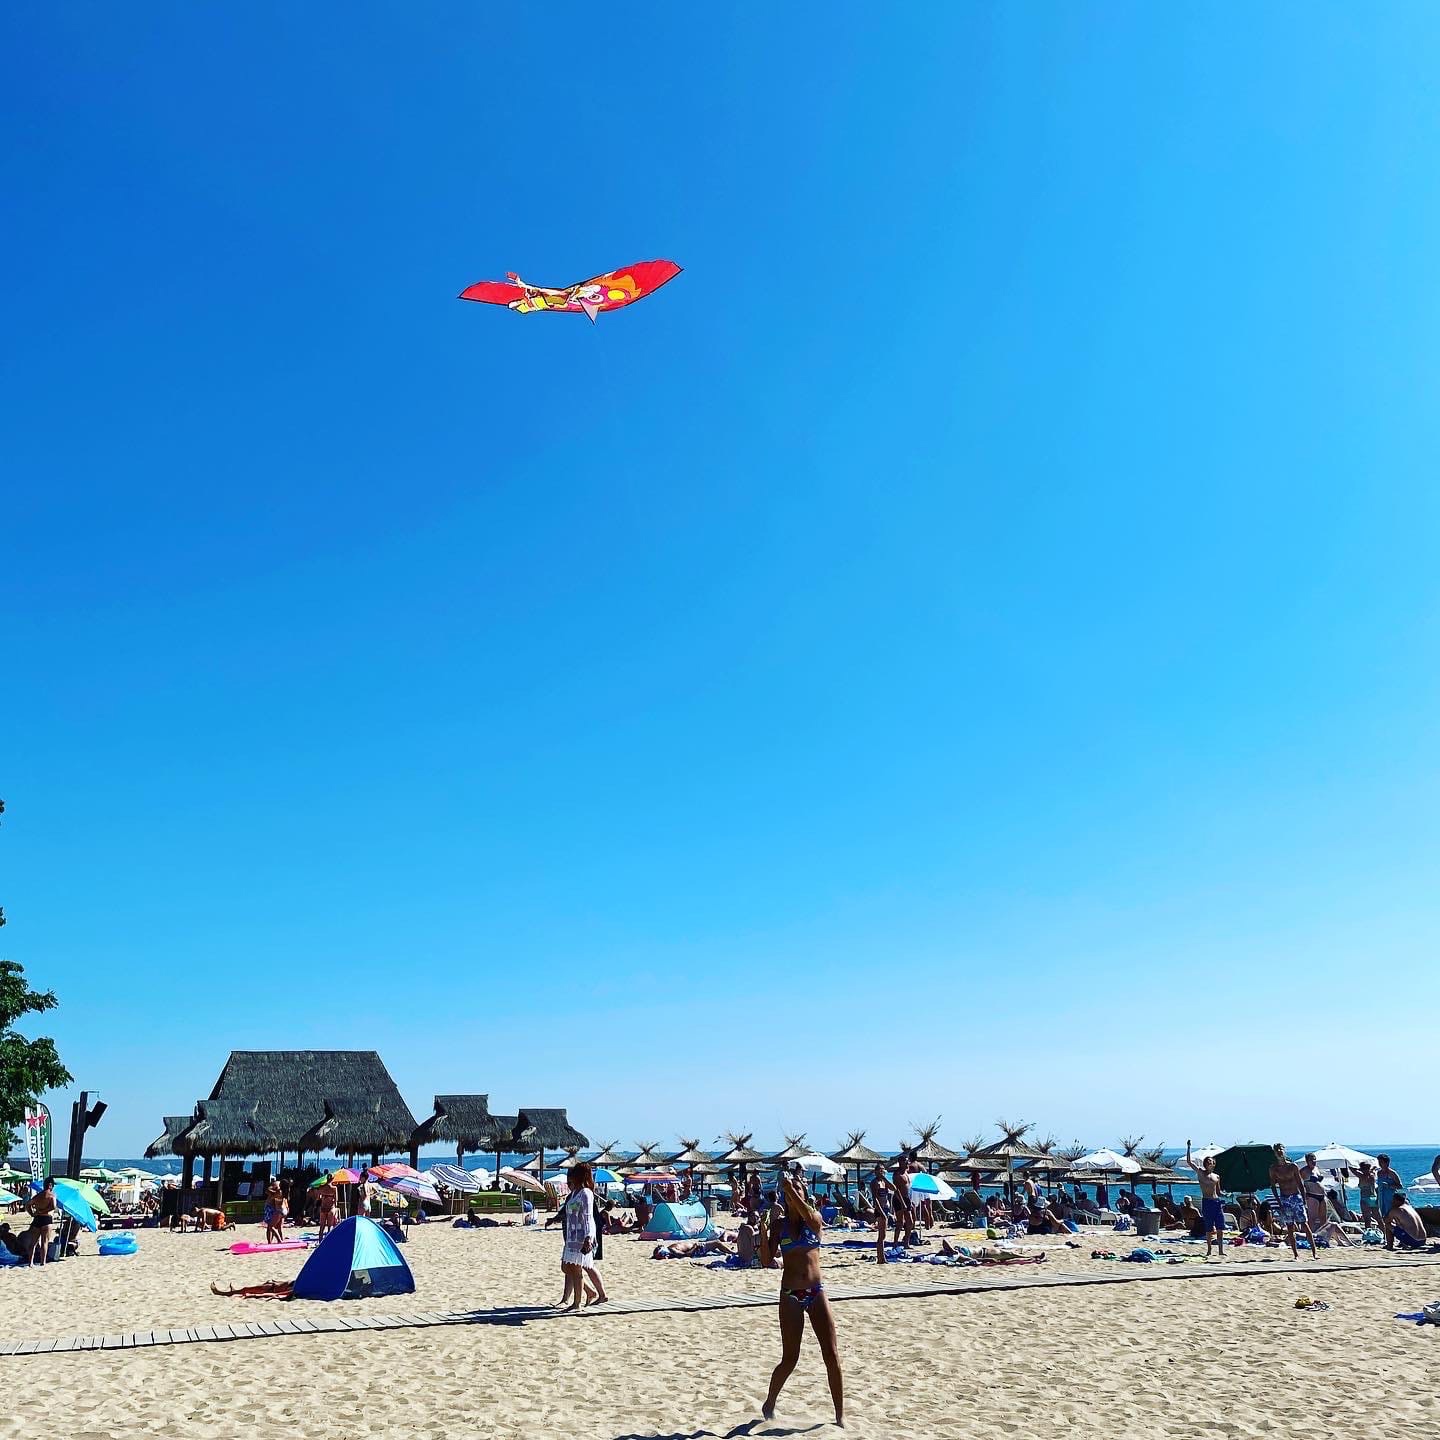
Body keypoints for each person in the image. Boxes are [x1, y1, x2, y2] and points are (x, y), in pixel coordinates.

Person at [760, 1172, 843, 1429]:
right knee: (790, 1358)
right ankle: (769, 1403)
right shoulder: (780, 1225)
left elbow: (806, 1213)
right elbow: (766, 1260)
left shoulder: (814, 1219)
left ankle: (840, 1416)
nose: (792, 1193)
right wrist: (762, 1233)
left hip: (816, 1292)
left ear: (804, 1194)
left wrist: (790, 1189)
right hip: (790, 1295)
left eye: (798, 1189)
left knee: (831, 1354)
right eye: (789, 1191)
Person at [559, 1162, 606, 1312]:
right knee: (566, 1267)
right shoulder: (574, 1193)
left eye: (573, 1174)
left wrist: (589, 1237)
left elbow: (587, 1217)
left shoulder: (586, 1193)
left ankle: (577, 1303)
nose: (570, 1178)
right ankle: (590, 1292)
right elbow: (568, 1213)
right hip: (571, 1236)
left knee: (577, 1269)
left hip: (581, 1236)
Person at [1268, 1143, 1318, 1260]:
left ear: (1284, 1150)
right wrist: (1278, 1201)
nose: (1279, 1151)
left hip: (1296, 1197)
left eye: (1281, 1149)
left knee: (1304, 1224)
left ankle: (1314, 1252)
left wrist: (1304, 1201)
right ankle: (1296, 1254)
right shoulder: (1273, 1169)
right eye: (1277, 1150)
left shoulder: (1293, 1166)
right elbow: (1273, 1186)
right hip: (1284, 1198)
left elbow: (1300, 1184)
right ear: (1274, 1153)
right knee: (1290, 1227)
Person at [1186, 1140, 1226, 1258]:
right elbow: (1189, 1162)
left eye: (1212, 1162)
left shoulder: (1216, 1176)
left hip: (1217, 1202)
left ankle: (1220, 1250)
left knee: (1220, 1228)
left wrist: (1226, 1195)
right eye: (1208, 1162)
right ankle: (1209, 1250)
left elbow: (1218, 1192)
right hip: (1207, 1202)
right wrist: (1189, 1147)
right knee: (1209, 1228)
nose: (1210, 1163)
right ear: (1205, 1164)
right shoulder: (1201, 1173)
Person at [26, 1178, 57, 1267]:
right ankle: (42, 1262)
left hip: (37, 1219)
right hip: (47, 1219)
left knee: (33, 1242)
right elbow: (53, 1206)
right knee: (44, 1242)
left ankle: (30, 1262)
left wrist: (32, 1214)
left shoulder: (38, 1196)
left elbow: (28, 1204)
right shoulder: (52, 1195)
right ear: (50, 1185)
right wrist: (43, 1211)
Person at [868, 1163, 893, 1265]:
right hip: (880, 1209)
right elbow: (875, 1199)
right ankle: (880, 1257)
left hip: (886, 1208)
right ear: (876, 1172)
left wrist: (885, 1179)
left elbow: (894, 1188)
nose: (881, 1172)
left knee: (884, 1234)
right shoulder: (874, 1183)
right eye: (879, 1170)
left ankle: (882, 1257)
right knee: (881, 1235)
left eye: (883, 1170)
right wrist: (882, 1213)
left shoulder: (884, 1182)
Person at [1376, 1155, 1405, 1220]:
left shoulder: (1392, 1173)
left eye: (1381, 1162)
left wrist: (1389, 1186)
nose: (1380, 1164)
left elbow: (1400, 1186)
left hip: (1390, 1197)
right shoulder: (1379, 1173)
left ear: (1387, 1163)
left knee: (1390, 1215)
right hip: (1381, 1197)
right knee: (1382, 1214)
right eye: (1379, 1162)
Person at [1355, 1162, 1379, 1228]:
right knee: (1379, 1219)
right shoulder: (1372, 1175)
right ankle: (1384, 1233)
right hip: (1374, 1197)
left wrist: (1359, 1169)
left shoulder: (1361, 1176)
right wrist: (1371, 1169)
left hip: (1365, 1198)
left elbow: (1351, 1169)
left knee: (1367, 1220)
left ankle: (1369, 1233)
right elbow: (1372, 1171)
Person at [316, 1174, 339, 1241]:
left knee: (321, 1227)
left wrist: (324, 1197)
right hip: (330, 1208)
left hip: (323, 1207)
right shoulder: (334, 1188)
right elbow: (336, 1200)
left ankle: (320, 1242)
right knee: (330, 1227)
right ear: (332, 1179)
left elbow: (318, 1198)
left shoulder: (321, 1187)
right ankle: (328, 1242)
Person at [264, 1177, 285, 1246]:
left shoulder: (280, 1190)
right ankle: (271, 1242)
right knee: (271, 1226)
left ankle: (278, 1240)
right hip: (272, 1207)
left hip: (273, 1208)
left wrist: (274, 1192)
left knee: (271, 1226)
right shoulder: (278, 1188)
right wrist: (274, 1192)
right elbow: (267, 1191)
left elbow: (268, 1191)